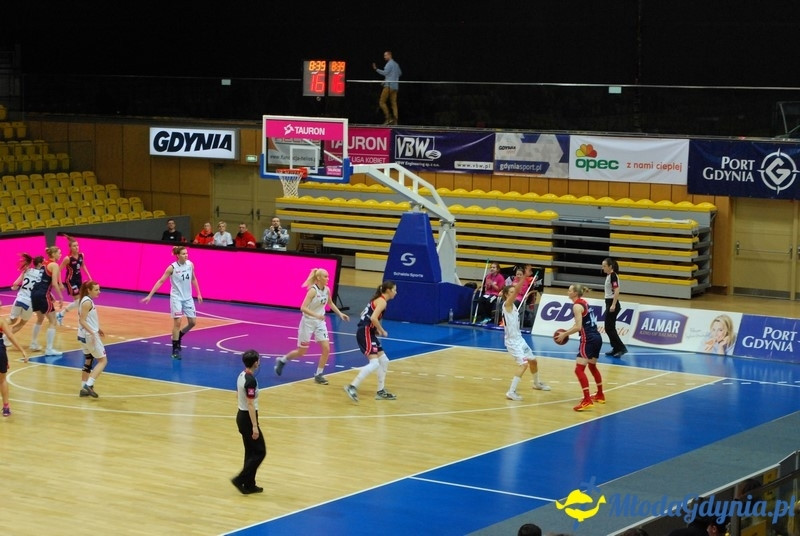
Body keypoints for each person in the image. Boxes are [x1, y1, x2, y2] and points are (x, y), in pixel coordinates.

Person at [275, 268, 349, 384]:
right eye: (325, 276)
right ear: (318, 278)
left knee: (326, 348)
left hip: (320, 323)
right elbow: (303, 308)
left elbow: (330, 303)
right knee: (301, 352)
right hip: (308, 322)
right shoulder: (312, 291)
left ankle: (318, 374)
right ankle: (282, 360)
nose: (328, 278)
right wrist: (316, 315)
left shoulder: (327, 290)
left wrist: (340, 314)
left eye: (328, 276)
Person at [142, 245, 203, 360]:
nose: (186, 255)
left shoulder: (190, 264)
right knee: (178, 322)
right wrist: (150, 295)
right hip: (176, 298)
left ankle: (178, 335)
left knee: (192, 322)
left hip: (188, 298)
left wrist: (198, 293)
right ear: (178, 255)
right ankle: (175, 349)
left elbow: (193, 279)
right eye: (184, 254)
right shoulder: (172, 268)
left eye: (187, 253)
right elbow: (161, 281)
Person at [344, 281, 398, 403]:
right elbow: (373, 318)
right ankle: (352, 386)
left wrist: (375, 329)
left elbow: (364, 315)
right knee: (374, 363)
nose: (396, 292)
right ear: (388, 290)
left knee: (384, 360)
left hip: (368, 331)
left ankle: (380, 391)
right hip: (365, 332)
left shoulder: (378, 300)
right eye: (394, 289)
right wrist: (381, 330)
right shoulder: (382, 301)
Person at [500, 275, 550, 401]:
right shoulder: (507, 304)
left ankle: (536, 383)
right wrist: (524, 279)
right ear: (506, 295)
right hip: (512, 342)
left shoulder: (513, 305)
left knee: (533, 361)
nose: (513, 294)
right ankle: (511, 392)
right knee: (523, 364)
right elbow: (517, 290)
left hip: (519, 339)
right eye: (510, 292)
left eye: (513, 292)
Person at [555, 285, 604, 411]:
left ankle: (587, 399)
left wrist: (565, 334)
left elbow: (578, 327)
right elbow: (581, 322)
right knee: (592, 366)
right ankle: (600, 394)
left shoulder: (576, 306)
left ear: (575, 293)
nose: (568, 292)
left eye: (570, 290)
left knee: (579, 370)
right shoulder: (584, 303)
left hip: (588, 339)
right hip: (597, 337)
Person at [232, 349, 266, 495]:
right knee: (260, 452)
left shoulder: (241, 375)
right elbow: (250, 404)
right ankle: (240, 479)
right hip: (247, 418)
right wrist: (254, 426)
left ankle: (249, 484)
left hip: (241, 415)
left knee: (250, 452)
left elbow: (237, 394)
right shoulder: (250, 381)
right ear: (255, 363)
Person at [29, 246, 66, 356]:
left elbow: (42, 282)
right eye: (59, 253)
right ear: (53, 254)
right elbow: (54, 283)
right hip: (42, 294)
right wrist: (61, 296)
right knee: (53, 321)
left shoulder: (43, 263)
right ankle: (49, 349)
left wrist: (50, 295)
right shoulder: (54, 265)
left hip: (34, 293)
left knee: (40, 318)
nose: (60, 255)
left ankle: (33, 343)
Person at [5, 254, 43, 350]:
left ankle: (5, 337)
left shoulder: (27, 270)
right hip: (29, 302)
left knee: (11, 320)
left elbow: (14, 284)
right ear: (40, 264)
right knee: (22, 323)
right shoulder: (42, 275)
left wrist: (14, 288)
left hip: (19, 299)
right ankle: (5, 338)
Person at [77, 281, 107, 398]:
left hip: (83, 335)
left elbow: (88, 319)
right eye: (96, 290)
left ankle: (83, 388)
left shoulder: (85, 300)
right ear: (89, 290)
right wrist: (93, 333)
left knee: (88, 360)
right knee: (103, 361)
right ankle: (89, 385)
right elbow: (82, 320)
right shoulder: (87, 302)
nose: (99, 292)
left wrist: (97, 328)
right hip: (89, 335)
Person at [57, 235, 93, 325]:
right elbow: (58, 270)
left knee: (80, 301)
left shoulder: (81, 255)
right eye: (74, 246)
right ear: (70, 247)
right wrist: (60, 283)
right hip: (70, 280)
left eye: (77, 245)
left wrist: (89, 277)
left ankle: (60, 315)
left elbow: (83, 265)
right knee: (78, 301)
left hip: (79, 279)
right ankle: (63, 315)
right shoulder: (67, 259)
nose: (76, 247)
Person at [1, 301, 28, 417]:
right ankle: (6, 407)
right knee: (2, 380)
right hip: (0, 351)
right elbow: (10, 336)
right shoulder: (1, 321)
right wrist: (22, 350)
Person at [602, 257, 628, 358]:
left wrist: (613, 304)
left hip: (613, 303)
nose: (603, 268)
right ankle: (616, 348)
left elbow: (616, 290)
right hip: (609, 302)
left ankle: (621, 348)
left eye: (604, 266)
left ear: (610, 267)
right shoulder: (609, 276)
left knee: (609, 328)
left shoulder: (613, 276)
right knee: (609, 328)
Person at [372, 50, 402, 125]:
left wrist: (376, 69)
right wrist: (388, 79)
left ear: (389, 55)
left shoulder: (389, 64)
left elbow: (385, 73)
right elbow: (400, 73)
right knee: (394, 104)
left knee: (381, 102)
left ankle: (388, 118)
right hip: (395, 87)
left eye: (385, 55)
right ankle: (395, 121)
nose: (384, 57)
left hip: (388, 86)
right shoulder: (396, 64)